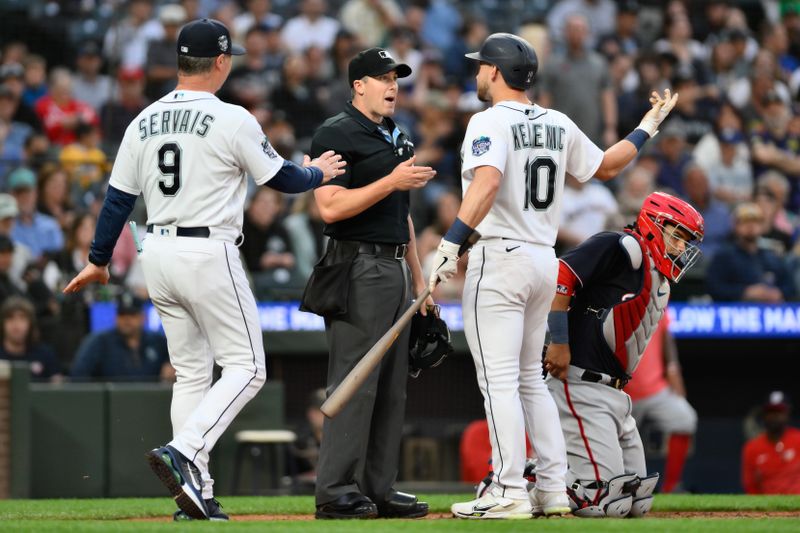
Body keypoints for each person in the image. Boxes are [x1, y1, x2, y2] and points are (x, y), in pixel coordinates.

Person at [62, 18, 345, 522]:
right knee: (249, 368)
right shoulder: (231, 117)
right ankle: (185, 450)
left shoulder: (143, 119)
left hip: (159, 254)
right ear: (220, 61)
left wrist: (98, 260)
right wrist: (319, 171)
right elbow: (281, 178)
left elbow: (118, 201)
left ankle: (197, 493)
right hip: (207, 250)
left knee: (191, 374)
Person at [429, 33, 682, 519]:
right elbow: (606, 168)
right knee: (529, 380)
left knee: (499, 381)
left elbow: (487, 183)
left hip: (500, 257)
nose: (478, 72)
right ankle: (550, 488)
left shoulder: (488, 120)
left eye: (483, 66)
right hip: (544, 259)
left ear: (498, 72)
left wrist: (450, 242)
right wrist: (647, 126)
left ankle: (507, 490)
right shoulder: (556, 121)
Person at [308, 47, 435, 520]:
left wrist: (419, 280)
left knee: (391, 387)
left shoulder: (396, 136)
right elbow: (330, 206)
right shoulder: (334, 132)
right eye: (382, 77)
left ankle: (378, 488)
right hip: (356, 265)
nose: (392, 85)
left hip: (395, 267)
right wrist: (391, 181)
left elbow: (401, 216)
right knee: (355, 383)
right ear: (358, 84)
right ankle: (336, 490)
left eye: (396, 77)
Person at [542, 192, 704, 518]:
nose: (680, 248)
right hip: (581, 382)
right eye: (677, 236)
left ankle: (553, 474)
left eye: (686, 241)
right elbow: (561, 274)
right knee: (601, 501)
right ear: (653, 225)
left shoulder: (658, 277)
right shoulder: (621, 246)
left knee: (636, 502)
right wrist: (558, 340)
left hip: (617, 393)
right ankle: (533, 479)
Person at [627, 315, 697, 494]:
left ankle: (671, 486)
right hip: (622, 389)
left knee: (684, 418)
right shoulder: (615, 292)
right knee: (617, 441)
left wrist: (673, 369)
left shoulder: (657, 289)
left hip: (655, 386)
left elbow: (666, 332)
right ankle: (623, 487)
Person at [70, 291, 172, 381]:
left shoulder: (158, 341)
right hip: (113, 400)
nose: (126, 320)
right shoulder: (99, 342)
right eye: (122, 315)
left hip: (150, 399)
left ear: (143, 317)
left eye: (132, 315)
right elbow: (78, 376)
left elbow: (180, 363)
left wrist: (171, 368)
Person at [706, 202, 796, 302]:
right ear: (735, 226)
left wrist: (779, 293)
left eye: (755, 221)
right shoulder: (724, 256)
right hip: (736, 311)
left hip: (769, 311)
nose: (750, 226)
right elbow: (713, 288)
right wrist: (745, 292)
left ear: (762, 226)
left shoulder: (772, 256)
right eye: (745, 221)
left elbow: (791, 287)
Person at [742, 391, 800, 494]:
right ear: (764, 414)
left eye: (779, 411)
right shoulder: (752, 447)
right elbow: (750, 486)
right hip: (767, 507)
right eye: (771, 411)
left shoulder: (798, 439)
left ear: (787, 413)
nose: (774, 416)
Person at [0, 296, 61, 382]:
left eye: (22, 318)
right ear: (2, 323)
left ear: (31, 323)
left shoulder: (45, 354)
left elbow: (58, 388)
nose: (16, 324)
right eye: (10, 318)